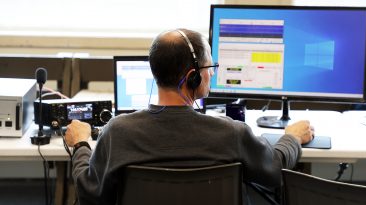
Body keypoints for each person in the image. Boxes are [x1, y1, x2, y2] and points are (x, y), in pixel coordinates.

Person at [65, 28, 314, 205]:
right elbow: (273, 170)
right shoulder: (231, 133)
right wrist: (291, 137)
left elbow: (89, 193)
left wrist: (81, 145)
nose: (212, 75)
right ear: (193, 76)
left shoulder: (117, 132)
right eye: (210, 68)